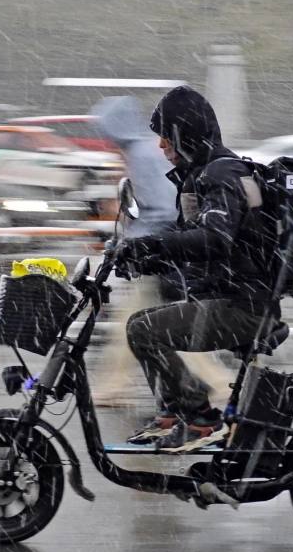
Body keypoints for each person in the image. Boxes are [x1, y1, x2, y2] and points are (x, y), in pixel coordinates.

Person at [116, 85, 279, 453]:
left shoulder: (221, 173)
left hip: (244, 306)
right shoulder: (202, 173)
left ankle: (199, 417)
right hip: (231, 298)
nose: (160, 147)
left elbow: (214, 238)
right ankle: (176, 413)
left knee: (144, 329)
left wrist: (155, 244)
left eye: (165, 137)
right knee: (143, 325)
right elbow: (189, 237)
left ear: (183, 134)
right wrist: (142, 254)